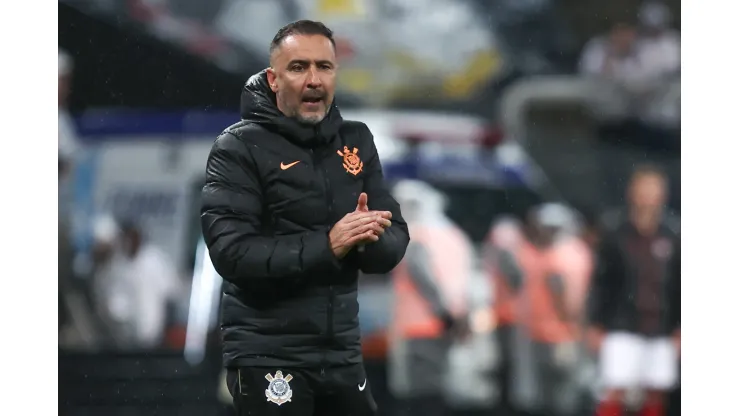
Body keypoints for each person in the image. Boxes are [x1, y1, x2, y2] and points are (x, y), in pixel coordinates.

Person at [200, 20, 409, 416]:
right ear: (273, 79)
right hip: (268, 354)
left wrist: (371, 236)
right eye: (298, 67)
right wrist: (329, 244)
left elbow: (394, 238)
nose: (314, 79)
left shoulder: (356, 140)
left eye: (324, 67)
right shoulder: (238, 147)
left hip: (342, 352)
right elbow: (232, 253)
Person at [588, 165, 680, 416]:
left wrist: (681, 327)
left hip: (661, 325)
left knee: (656, 390)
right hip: (621, 322)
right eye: (644, 188)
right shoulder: (615, 232)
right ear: (632, 192)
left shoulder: (674, 234)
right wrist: (595, 323)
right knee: (614, 387)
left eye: (655, 189)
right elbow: (601, 281)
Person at [387, 179, 472, 416]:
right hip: (448, 323)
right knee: (438, 385)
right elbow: (464, 279)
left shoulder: (416, 236)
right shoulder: (454, 235)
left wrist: (443, 313)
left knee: (421, 392)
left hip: (421, 325)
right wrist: (459, 317)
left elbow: (423, 278)